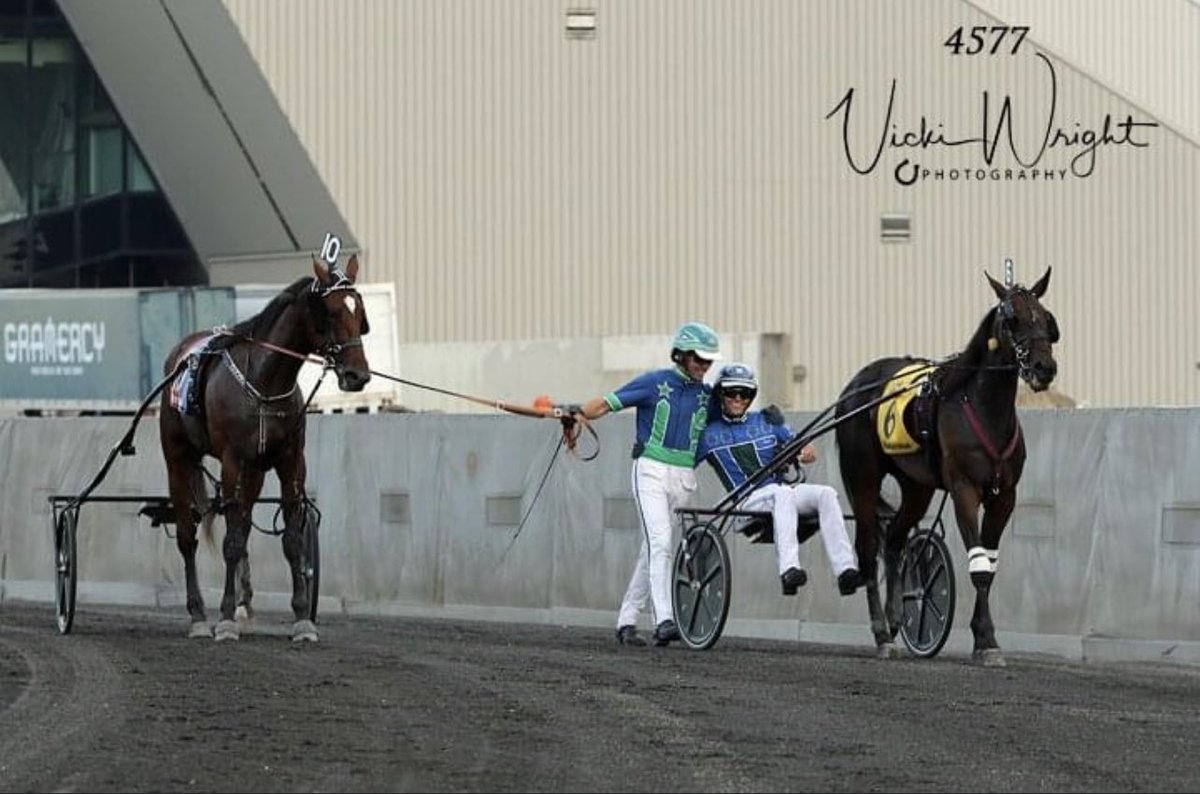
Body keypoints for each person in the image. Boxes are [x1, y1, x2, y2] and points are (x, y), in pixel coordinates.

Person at [557, 321, 721, 647]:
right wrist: (576, 412)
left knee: (653, 548)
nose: (704, 366)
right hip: (650, 472)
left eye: (708, 361)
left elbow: (732, 425)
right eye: (698, 359)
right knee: (661, 542)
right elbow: (604, 404)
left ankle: (627, 619)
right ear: (682, 354)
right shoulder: (654, 382)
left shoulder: (708, 396)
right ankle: (665, 620)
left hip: (685, 477)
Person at [696, 363, 862, 597]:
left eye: (744, 393)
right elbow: (681, 465)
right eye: (731, 392)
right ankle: (789, 570)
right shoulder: (707, 434)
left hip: (781, 494)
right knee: (781, 494)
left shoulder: (768, 421)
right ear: (720, 395)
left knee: (826, 493)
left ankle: (845, 571)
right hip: (746, 501)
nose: (738, 398)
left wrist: (805, 452)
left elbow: (805, 447)